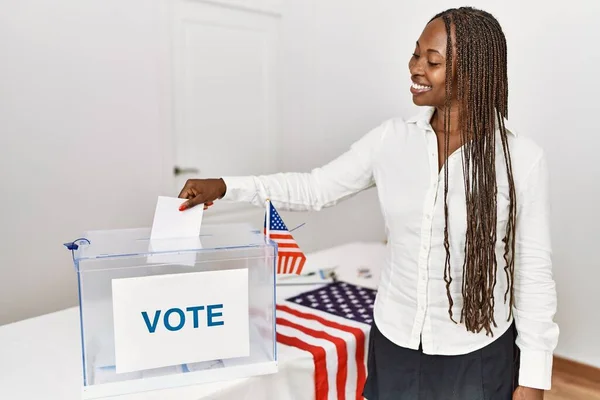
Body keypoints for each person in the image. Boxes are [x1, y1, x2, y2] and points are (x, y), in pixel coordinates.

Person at [177, 6, 558, 400]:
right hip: (395, 343)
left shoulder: (521, 159)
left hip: (476, 352)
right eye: (415, 55)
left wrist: (533, 378)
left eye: (433, 61)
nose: (415, 68)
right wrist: (225, 186)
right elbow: (316, 188)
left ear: (474, 72)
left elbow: (533, 274)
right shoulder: (391, 140)